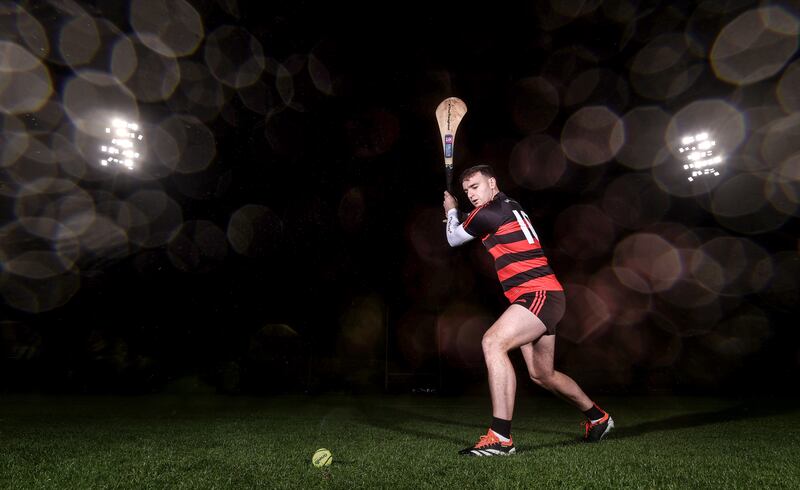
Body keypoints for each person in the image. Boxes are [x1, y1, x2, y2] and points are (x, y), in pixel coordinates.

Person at [443, 164, 613, 457]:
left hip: (537, 294)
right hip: (544, 295)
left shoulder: (489, 212)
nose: (471, 193)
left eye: (476, 186)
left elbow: (453, 238)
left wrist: (451, 211)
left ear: (492, 183)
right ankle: (599, 418)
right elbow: (475, 226)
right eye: (467, 189)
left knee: (493, 342)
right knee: (542, 374)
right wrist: (458, 213)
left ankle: (500, 438)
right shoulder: (507, 205)